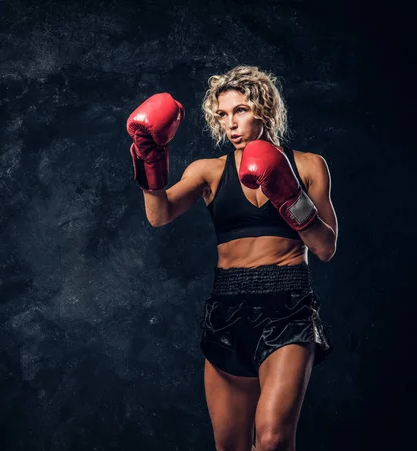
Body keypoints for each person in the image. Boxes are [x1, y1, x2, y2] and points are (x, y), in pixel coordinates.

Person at [126, 65, 336, 451]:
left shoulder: (308, 165)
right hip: (227, 309)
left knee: (272, 439)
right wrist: (149, 160)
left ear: (264, 109)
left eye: (239, 110)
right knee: (231, 447)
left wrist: (289, 197)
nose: (230, 124)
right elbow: (159, 215)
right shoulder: (209, 170)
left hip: (288, 306)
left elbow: (324, 247)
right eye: (222, 115)